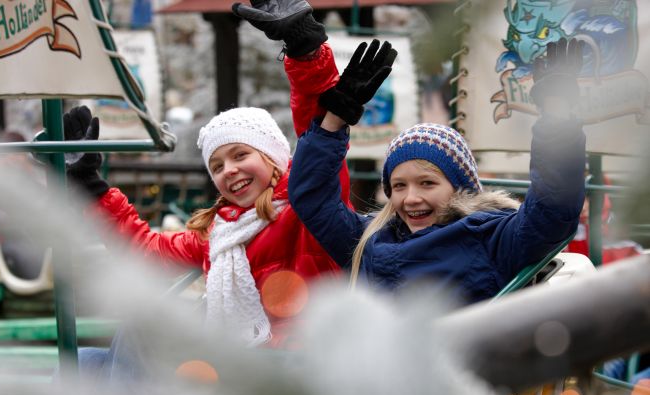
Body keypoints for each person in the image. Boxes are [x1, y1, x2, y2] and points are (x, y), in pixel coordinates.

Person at [64, 2, 396, 351]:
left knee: (134, 345)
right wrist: (90, 186)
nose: (229, 170)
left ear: (273, 160)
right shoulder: (219, 233)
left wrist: (305, 50)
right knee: (88, 357)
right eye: (218, 166)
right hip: (242, 361)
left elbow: (318, 130)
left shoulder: (307, 208)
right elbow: (147, 249)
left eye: (240, 155)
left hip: (303, 357)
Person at [288, 38, 586, 304]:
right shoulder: (369, 239)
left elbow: (553, 206)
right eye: (399, 186)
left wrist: (557, 117)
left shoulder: (494, 237)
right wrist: (335, 119)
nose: (411, 198)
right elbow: (314, 200)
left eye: (427, 183)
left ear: (460, 187)